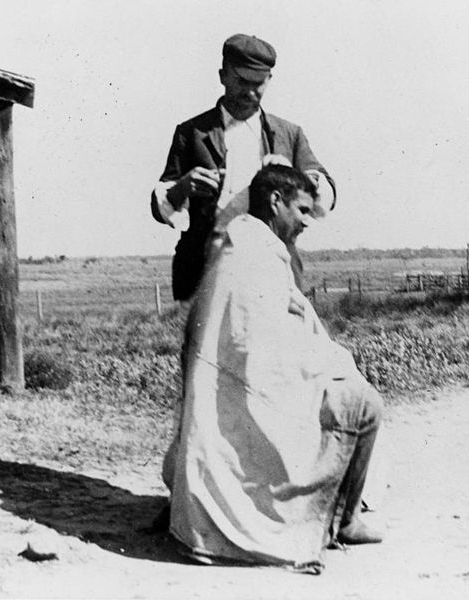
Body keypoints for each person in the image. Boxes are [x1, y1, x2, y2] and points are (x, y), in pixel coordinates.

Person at [162, 165, 383, 570]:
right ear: (275, 202)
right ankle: (343, 520)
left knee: (347, 383)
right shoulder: (248, 253)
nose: (305, 221)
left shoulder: (250, 245)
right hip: (253, 395)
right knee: (364, 403)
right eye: (301, 210)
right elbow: (259, 351)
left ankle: (340, 514)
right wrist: (323, 359)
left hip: (247, 391)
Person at [150, 33, 335, 301]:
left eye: (258, 84)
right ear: (223, 75)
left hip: (275, 266)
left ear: (269, 80)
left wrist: (299, 177)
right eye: (241, 81)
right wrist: (182, 188)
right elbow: (160, 208)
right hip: (206, 266)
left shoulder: (290, 134)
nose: (249, 91)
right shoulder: (191, 133)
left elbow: (325, 195)